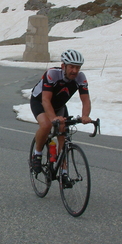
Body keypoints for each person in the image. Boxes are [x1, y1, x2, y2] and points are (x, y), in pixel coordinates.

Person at [29, 49, 92, 177]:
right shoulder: (52, 73)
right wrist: (53, 118)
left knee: (63, 134)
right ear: (64, 66)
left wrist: (85, 116)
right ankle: (37, 154)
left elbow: (86, 100)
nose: (74, 70)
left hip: (59, 106)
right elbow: (46, 100)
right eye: (71, 67)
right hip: (40, 102)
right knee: (46, 125)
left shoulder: (81, 78)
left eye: (77, 67)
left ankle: (63, 172)